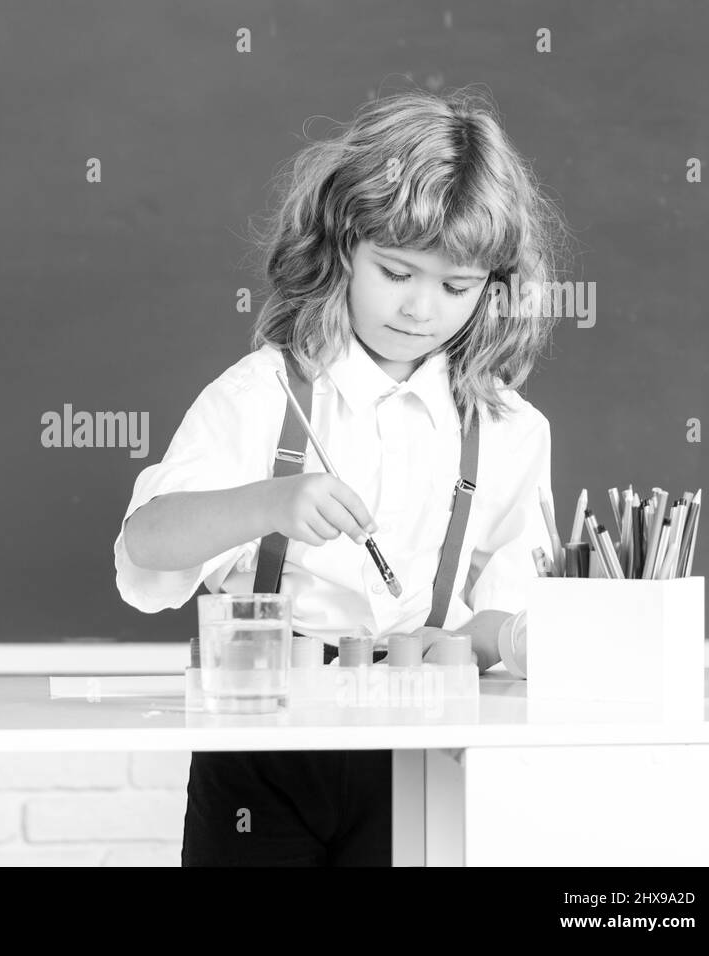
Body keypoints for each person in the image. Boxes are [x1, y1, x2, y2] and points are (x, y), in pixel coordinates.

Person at [115, 87, 568, 866]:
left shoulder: (507, 429)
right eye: (396, 271)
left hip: (423, 748)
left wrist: (473, 643)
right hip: (261, 745)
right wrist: (269, 502)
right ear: (341, 248)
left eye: (456, 287)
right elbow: (145, 546)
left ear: (492, 288)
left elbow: (508, 613)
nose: (422, 308)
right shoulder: (265, 392)